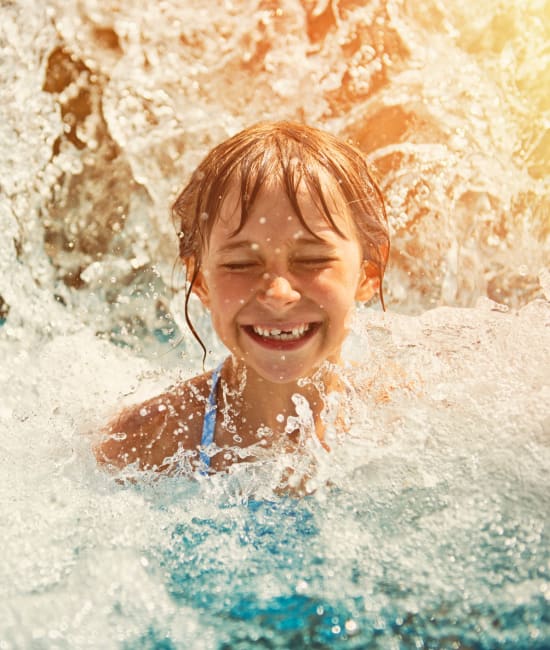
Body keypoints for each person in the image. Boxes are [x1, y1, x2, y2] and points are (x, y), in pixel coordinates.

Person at [95, 120, 390, 477]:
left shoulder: (407, 420)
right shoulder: (146, 444)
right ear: (200, 281)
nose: (278, 294)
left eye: (312, 260)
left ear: (368, 273)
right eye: (241, 263)